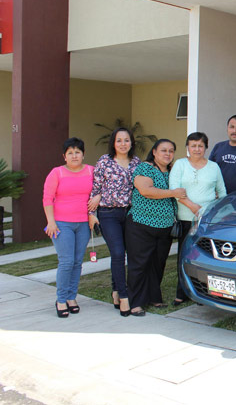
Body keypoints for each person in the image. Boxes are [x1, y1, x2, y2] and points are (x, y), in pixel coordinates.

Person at [125, 139, 186, 316]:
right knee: (139, 264)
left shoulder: (172, 171)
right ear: (154, 152)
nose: (167, 154)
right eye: (163, 150)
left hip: (165, 227)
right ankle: (136, 302)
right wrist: (172, 193)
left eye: (171, 151)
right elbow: (146, 190)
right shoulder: (145, 168)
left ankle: (153, 297)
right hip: (141, 224)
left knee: (157, 264)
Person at [88, 127, 141, 316]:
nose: (123, 144)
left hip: (129, 214)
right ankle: (124, 297)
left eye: (126, 140)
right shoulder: (104, 161)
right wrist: (91, 213)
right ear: (113, 143)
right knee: (118, 253)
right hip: (108, 213)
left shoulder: (136, 162)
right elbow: (95, 188)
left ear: (131, 142)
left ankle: (116, 290)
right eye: (119, 140)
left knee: (125, 253)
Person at [169, 132, 226, 306]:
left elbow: (222, 193)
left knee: (205, 257)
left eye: (200, 146)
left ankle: (202, 293)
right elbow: (174, 189)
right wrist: (193, 207)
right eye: (193, 145)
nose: (197, 149)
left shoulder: (214, 167)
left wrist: (213, 212)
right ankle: (181, 292)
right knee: (184, 255)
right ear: (188, 147)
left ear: (206, 147)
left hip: (207, 220)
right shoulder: (180, 164)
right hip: (185, 218)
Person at [43, 137, 97, 318]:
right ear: (64, 156)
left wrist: (94, 208)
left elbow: (98, 193)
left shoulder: (91, 171)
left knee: (77, 262)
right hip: (61, 224)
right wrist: (51, 222)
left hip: (83, 224)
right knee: (66, 262)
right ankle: (61, 300)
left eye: (77, 152)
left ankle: (71, 297)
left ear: (83, 154)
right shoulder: (57, 173)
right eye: (70, 153)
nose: (74, 156)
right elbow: (47, 198)